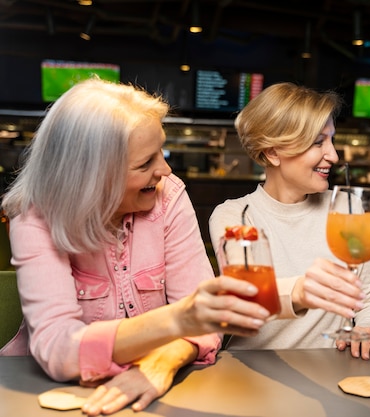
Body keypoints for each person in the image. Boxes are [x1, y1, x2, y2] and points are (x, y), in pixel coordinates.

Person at [0, 78, 281, 416]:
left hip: (152, 395)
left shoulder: (168, 195)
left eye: (160, 153)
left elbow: (206, 326)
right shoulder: (33, 216)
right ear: (91, 176)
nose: (165, 170)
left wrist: (162, 361)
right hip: (37, 394)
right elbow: (59, 350)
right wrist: (179, 320)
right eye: (145, 163)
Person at [209, 82, 370, 360]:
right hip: (251, 375)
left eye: (331, 140)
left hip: (330, 372)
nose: (333, 155)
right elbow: (249, 298)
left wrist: (366, 328)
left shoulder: (347, 206)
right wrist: (300, 291)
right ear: (273, 152)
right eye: (318, 142)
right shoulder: (236, 216)